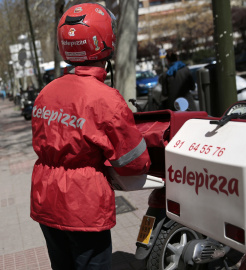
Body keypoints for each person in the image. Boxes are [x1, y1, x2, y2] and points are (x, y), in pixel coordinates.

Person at [30, 3, 151, 270]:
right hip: (83, 205)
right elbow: (133, 161)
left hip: (46, 200)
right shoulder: (106, 99)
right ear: (105, 41)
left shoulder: (46, 92)